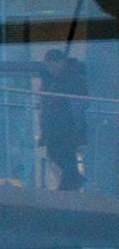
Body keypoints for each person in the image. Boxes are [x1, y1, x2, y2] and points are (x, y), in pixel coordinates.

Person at [42, 49, 89, 191]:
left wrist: (79, 130)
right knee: (61, 156)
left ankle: (72, 183)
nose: (50, 70)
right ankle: (73, 181)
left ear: (59, 62)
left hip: (67, 127)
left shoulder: (72, 78)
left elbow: (78, 105)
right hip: (59, 127)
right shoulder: (59, 80)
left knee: (65, 156)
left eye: (51, 65)